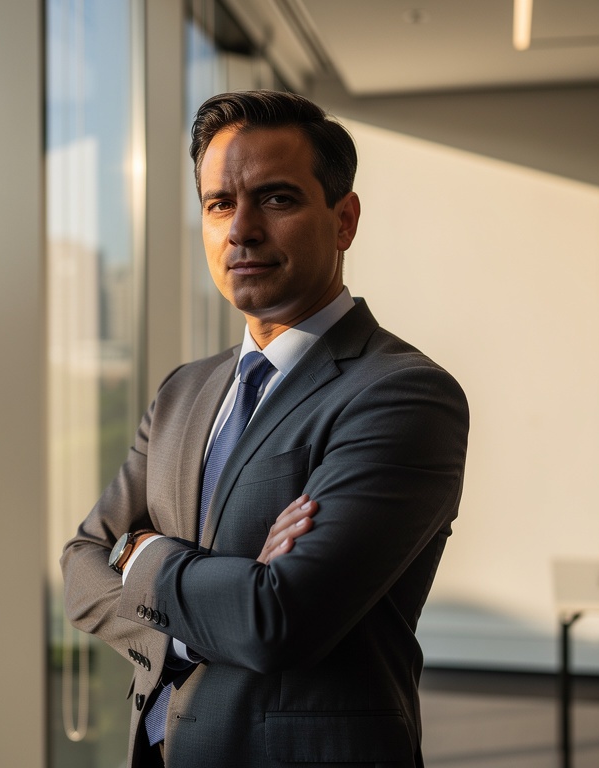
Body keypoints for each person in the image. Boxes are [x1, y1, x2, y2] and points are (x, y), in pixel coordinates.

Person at [61, 89, 469, 768]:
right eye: (220, 204)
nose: (241, 229)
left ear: (344, 220)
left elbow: (278, 622)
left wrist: (139, 554)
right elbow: (80, 565)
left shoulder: (403, 395)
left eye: (276, 199)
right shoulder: (182, 390)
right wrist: (215, 605)